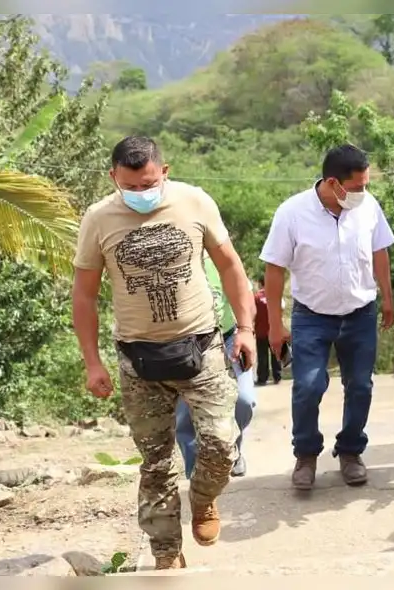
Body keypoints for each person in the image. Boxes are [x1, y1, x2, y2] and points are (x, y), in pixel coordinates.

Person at [72, 136, 255, 570]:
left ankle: (204, 498)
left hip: (202, 347)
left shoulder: (195, 202)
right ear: (113, 177)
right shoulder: (98, 219)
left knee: (221, 444)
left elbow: (230, 265)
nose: (141, 193)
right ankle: (166, 554)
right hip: (139, 359)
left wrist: (246, 329)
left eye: (149, 184)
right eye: (130, 187)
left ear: (164, 172)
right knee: (156, 463)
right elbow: (84, 295)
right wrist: (92, 362)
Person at [259, 144, 394, 491]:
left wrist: (388, 298)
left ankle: (350, 451)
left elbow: (379, 251)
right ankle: (306, 455)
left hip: (360, 312)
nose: (363, 192)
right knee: (308, 386)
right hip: (312, 316)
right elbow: (274, 269)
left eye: (365, 185)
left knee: (361, 385)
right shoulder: (292, 213)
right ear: (333, 183)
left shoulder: (368, 207)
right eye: (356, 187)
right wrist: (275, 324)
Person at [175, 253, 256, 479]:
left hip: (227, 337)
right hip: (184, 343)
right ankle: (196, 472)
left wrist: (246, 330)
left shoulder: (219, 253)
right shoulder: (173, 256)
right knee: (186, 412)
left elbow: (245, 294)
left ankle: (232, 448)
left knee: (243, 400)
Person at [253, 277, 287, 386]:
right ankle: (277, 377)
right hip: (274, 330)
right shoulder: (275, 295)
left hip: (260, 331)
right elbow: (282, 308)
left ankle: (262, 378)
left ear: (260, 284)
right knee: (276, 354)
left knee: (262, 356)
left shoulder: (256, 297)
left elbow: (252, 312)